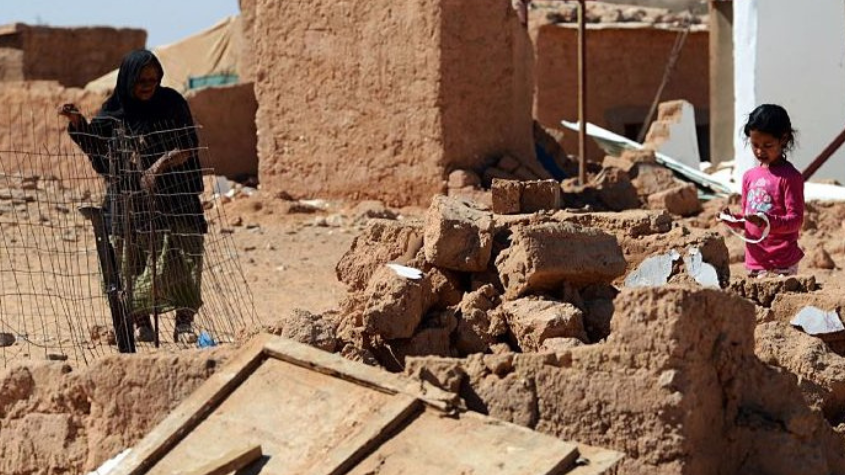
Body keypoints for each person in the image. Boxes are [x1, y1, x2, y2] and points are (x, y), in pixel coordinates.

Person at [59, 49, 207, 343]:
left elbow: (189, 145)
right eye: (141, 80)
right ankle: (141, 323)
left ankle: (183, 324)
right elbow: (97, 147)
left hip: (174, 197)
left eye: (153, 79)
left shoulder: (172, 103)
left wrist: (159, 165)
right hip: (129, 199)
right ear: (128, 80)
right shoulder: (114, 110)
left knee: (182, 257)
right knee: (129, 261)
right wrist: (77, 123)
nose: (148, 85)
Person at [721, 104, 804, 278]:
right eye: (755, 145)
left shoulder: (790, 178)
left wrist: (767, 221)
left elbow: (795, 221)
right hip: (755, 261)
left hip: (781, 263)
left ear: (783, 139)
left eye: (767, 145)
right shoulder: (749, 177)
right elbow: (748, 220)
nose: (760, 151)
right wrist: (732, 220)